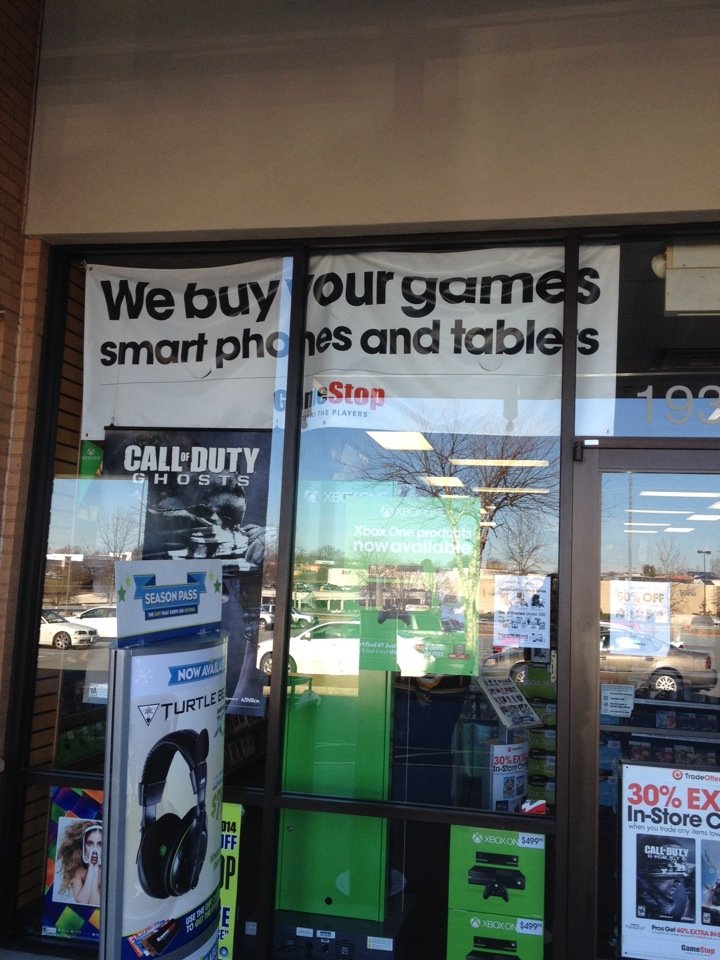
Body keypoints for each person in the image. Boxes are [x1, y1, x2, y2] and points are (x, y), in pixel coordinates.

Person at [56, 820, 102, 907]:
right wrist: (91, 868)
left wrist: (96, 869)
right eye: (90, 843)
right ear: (83, 846)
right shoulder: (77, 871)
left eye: (100, 844)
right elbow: (82, 901)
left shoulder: (110, 872)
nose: (95, 850)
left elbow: (95, 903)